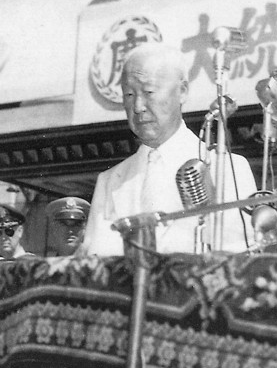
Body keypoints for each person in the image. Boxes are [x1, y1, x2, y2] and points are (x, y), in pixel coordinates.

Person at [81, 42, 257, 256]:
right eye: (129, 95)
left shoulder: (226, 168)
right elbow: (92, 261)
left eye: (149, 92)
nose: (138, 107)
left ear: (182, 91)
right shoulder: (110, 181)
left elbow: (241, 261)